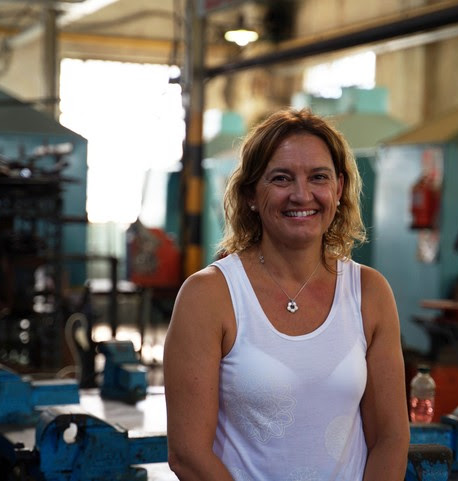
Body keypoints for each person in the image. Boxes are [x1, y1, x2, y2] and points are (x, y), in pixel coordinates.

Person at [163, 108, 409, 480]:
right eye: (281, 178)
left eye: (318, 177)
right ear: (250, 194)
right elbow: (188, 454)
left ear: (339, 189)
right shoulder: (209, 296)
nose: (301, 194)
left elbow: (390, 437)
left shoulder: (369, 293)